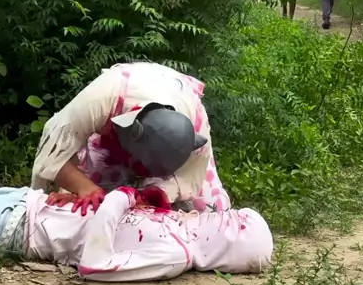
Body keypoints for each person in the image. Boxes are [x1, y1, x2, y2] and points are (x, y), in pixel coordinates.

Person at [0, 182, 273, 281]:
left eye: (236, 221)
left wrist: (121, 198)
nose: (226, 215)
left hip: (18, 228)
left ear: (233, 245)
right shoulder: (180, 225)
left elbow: (95, 265)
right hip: (32, 200)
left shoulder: (175, 255)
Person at [31, 61, 230, 215]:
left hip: (170, 126)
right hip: (112, 138)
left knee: (208, 211)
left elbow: (190, 179)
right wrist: (86, 188)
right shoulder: (104, 95)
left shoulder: (196, 123)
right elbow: (52, 149)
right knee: (85, 206)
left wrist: (158, 194)